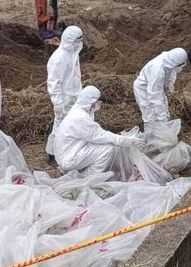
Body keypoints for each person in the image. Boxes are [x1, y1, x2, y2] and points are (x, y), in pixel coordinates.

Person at [54, 86, 144, 175]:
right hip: (68, 158)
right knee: (108, 149)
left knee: (103, 143)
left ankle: (78, 170)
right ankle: (86, 177)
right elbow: (101, 136)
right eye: (97, 102)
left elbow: (96, 135)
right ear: (90, 102)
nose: (99, 104)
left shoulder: (80, 111)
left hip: (69, 152)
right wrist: (130, 141)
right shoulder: (80, 118)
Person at [46, 26, 84, 164]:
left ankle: (67, 150)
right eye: (77, 40)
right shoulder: (59, 57)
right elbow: (53, 81)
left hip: (75, 95)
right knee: (60, 126)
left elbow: (74, 76)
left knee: (73, 125)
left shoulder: (73, 53)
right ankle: (52, 153)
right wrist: (57, 102)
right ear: (69, 40)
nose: (80, 43)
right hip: (64, 98)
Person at [133, 48, 188, 131]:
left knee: (164, 108)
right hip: (143, 88)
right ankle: (153, 137)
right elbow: (155, 97)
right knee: (150, 116)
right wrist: (162, 119)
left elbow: (172, 72)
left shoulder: (169, 58)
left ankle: (163, 132)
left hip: (155, 86)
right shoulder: (157, 69)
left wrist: (170, 87)